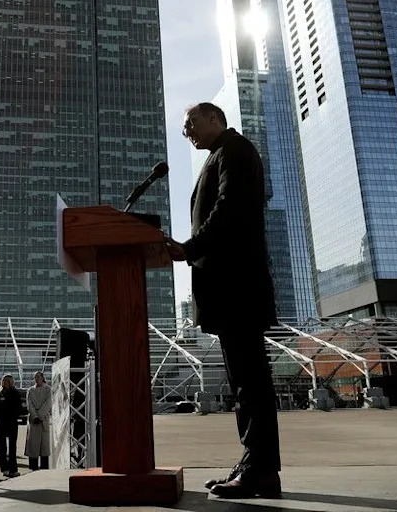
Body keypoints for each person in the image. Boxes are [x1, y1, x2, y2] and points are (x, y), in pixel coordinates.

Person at [165, 102, 281, 500]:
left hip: (238, 287)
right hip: (230, 288)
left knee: (251, 381)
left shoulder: (235, 150)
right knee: (244, 381)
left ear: (215, 118)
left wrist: (190, 247)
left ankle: (260, 469)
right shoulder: (221, 154)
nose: (187, 132)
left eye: (191, 123)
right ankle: (255, 464)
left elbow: (229, 208)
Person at [0, 374, 21, 477]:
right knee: (1, 448)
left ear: (12, 382)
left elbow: (18, 408)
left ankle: (13, 469)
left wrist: (12, 416)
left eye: (8, 381)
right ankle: (4, 468)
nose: (6, 382)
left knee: (12, 448)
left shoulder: (15, 393)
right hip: (1, 423)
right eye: (4, 380)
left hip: (12, 423)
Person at [25, 371, 51, 470]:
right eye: (35, 377)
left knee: (44, 446)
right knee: (33, 445)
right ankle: (33, 466)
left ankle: (44, 467)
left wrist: (40, 415)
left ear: (42, 377)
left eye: (39, 376)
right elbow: (29, 404)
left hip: (43, 420)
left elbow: (48, 403)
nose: (37, 378)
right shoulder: (30, 390)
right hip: (33, 420)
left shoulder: (48, 389)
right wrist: (35, 416)